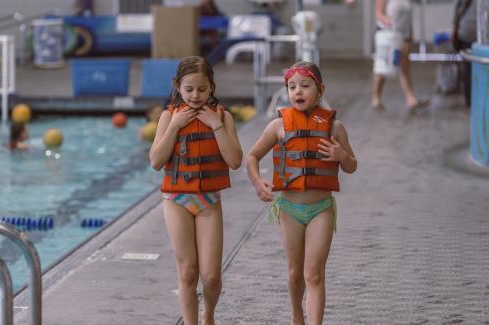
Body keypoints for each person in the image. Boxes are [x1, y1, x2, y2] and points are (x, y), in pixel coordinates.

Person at [246, 61, 357, 324]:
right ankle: (297, 315)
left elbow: (352, 166)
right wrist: (257, 180)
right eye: (292, 86)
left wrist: (342, 156)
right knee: (296, 273)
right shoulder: (278, 126)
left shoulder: (334, 127)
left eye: (305, 86)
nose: (298, 91)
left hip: (322, 209)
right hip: (290, 210)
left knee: (314, 274)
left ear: (320, 90)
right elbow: (252, 156)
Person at [149, 56, 242, 325]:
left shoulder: (223, 117)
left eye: (202, 89)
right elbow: (156, 161)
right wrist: (175, 126)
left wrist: (217, 125)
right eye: (189, 89)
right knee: (188, 272)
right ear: (177, 86)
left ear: (211, 87)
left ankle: (208, 314)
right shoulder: (169, 116)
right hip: (176, 200)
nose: (195, 95)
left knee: (211, 276)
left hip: (208, 201)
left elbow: (235, 161)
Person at [373, 0, 428, 112]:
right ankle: (376, 98)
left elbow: (408, 17)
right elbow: (378, 14)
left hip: (403, 36)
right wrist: (389, 22)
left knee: (405, 68)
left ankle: (411, 100)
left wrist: (410, 35)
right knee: (383, 68)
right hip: (388, 35)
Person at [452, 0, 476, 107]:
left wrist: (454, 30)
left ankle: (469, 99)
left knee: (468, 67)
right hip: (482, 34)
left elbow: (457, 9)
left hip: (466, 31)